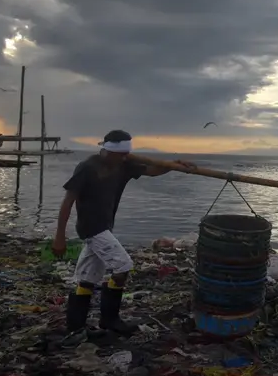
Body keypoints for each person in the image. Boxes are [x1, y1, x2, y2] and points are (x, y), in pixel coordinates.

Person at [53, 129, 193, 346]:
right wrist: (59, 236)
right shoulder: (88, 167)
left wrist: (174, 165)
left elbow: (151, 171)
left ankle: (76, 327)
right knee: (123, 266)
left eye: (126, 154)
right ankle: (109, 320)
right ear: (108, 151)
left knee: (88, 277)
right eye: (121, 154)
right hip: (92, 227)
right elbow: (68, 201)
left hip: (106, 226)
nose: (124, 157)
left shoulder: (124, 164)